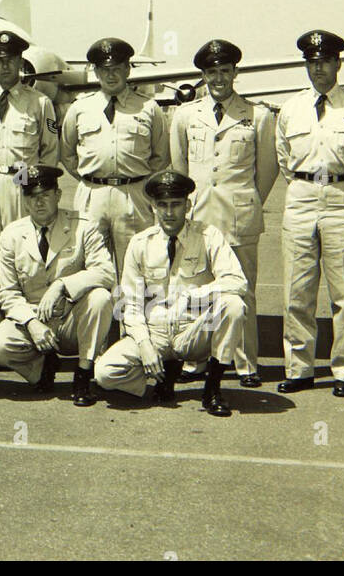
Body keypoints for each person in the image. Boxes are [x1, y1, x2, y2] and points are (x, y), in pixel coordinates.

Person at [275, 30, 344, 397]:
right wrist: (307, 185)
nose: (317, 69)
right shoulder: (291, 108)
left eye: (324, 62)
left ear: (338, 63)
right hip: (301, 195)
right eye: (311, 62)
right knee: (296, 289)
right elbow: (283, 159)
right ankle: (299, 368)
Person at [169, 39, 277, 386]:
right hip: (199, 216)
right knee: (197, 287)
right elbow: (179, 166)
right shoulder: (186, 115)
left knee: (242, 290)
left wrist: (246, 200)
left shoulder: (256, 116)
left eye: (225, 71)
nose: (219, 79)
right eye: (212, 72)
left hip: (238, 217)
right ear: (203, 75)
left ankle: (245, 365)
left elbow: (267, 170)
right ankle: (197, 360)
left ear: (235, 73)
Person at [94, 170, 247, 417]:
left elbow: (238, 281)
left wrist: (195, 296)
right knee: (105, 373)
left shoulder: (208, 236)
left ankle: (212, 388)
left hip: (193, 330)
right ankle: (162, 375)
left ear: (187, 205)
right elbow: (130, 304)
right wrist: (144, 346)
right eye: (162, 205)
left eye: (175, 205)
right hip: (156, 333)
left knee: (233, 305)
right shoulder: (140, 243)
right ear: (153, 206)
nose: (168, 212)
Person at [0, 167, 116, 406]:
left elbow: (106, 272)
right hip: (36, 320)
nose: (39, 202)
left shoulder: (83, 226)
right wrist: (32, 323)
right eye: (32, 196)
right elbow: (7, 292)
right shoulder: (12, 235)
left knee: (100, 298)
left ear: (58, 195)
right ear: (24, 201)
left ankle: (83, 374)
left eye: (45, 195)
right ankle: (41, 368)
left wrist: (62, 285)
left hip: (71, 320)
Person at [0, 30, 59, 327]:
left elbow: (49, 152)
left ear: (20, 62)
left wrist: (32, 186)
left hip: (22, 180)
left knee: (22, 253)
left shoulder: (39, 103)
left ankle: (26, 323)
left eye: (11, 60)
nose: (5, 66)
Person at [60, 37, 169, 276]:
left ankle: (133, 313)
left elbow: (161, 155)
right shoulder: (80, 108)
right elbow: (67, 153)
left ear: (128, 69)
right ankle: (100, 313)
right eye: (105, 70)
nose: (111, 76)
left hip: (133, 194)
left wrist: (139, 182)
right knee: (90, 262)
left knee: (137, 263)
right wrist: (89, 179)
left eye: (117, 69)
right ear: (96, 71)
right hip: (92, 195)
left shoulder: (149, 108)